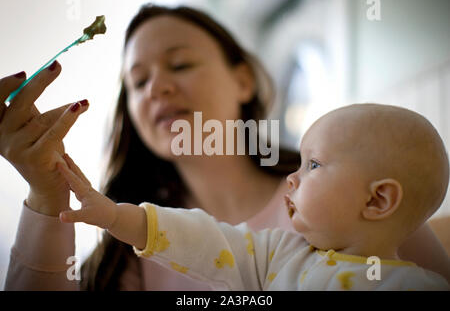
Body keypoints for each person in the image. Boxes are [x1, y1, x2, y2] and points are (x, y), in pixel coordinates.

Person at [1, 4, 449, 291]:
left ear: (243, 80)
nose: (157, 86)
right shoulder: (124, 252)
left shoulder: (358, 198)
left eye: (180, 63)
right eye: (138, 82)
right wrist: (46, 195)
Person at [55, 103, 450, 290]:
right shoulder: (277, 255)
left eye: (313, 165)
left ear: (377, 201)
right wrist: (113, 216)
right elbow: (204, 239)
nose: (292, 179)